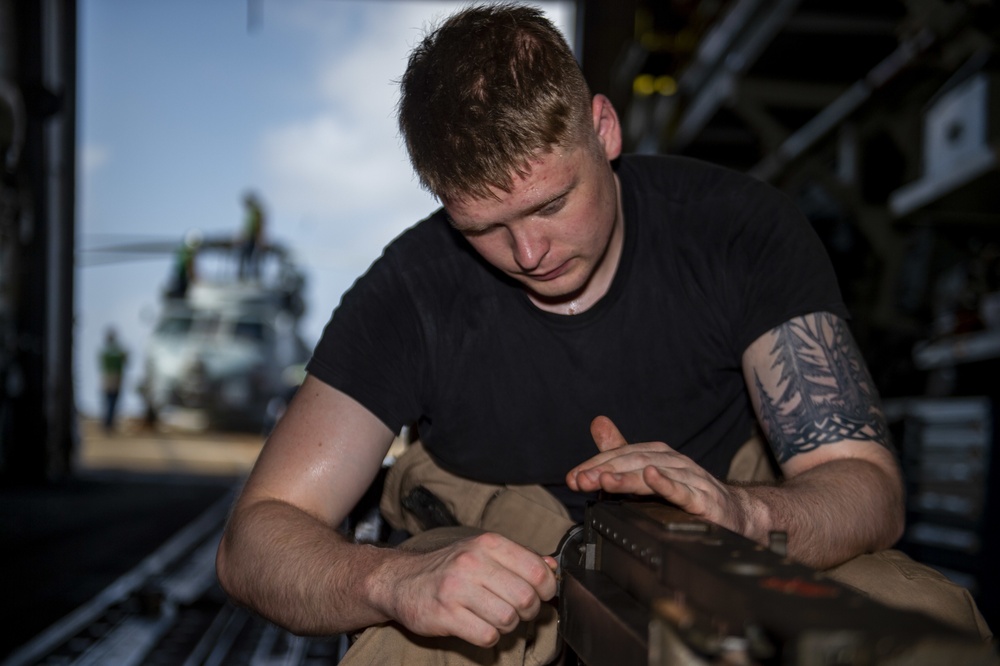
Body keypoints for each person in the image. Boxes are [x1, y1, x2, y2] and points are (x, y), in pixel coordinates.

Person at [216, 4, 992, 663]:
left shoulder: (738, 232)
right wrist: (387, 582)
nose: (529, 254)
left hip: (727, 526)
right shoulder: (406, 293)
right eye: (482, 226)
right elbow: (254, 540)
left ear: (604, 128)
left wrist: (746, 514)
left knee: (925, 634)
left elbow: (867, 486)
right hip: (488, 545)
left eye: (551, 205)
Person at [98, 327, 128, 433]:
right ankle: (109, 423)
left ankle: (107, 422)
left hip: (107, 379)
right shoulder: (118, 351)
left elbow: (101, 363)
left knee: (107, 402)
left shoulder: (105, 351)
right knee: (112, 402)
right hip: (115, 379)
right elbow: (126, 360)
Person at [239, 191, 265, 280]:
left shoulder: (256, 211)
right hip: (248, 238)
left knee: (254, 259)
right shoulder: (249, 213)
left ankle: (254, 278)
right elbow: (246, 227)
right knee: (244, 257)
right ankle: (242, 277)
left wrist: (259, 239)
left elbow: (259, 226)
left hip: (253, 239)